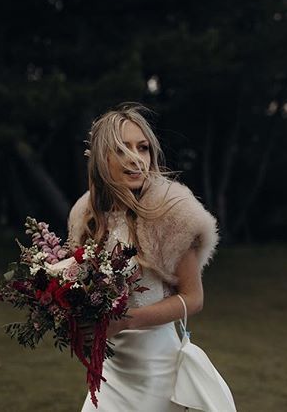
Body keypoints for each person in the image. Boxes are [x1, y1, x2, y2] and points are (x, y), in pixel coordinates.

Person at [67, 103, 220, 411]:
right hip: (110, 372)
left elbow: (193, 299)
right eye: (122, 149)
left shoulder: (173, 213)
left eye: (143, 148)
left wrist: (124, 322)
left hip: (156, 373)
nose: (136, 158)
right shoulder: (86, 217)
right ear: (101, 158)